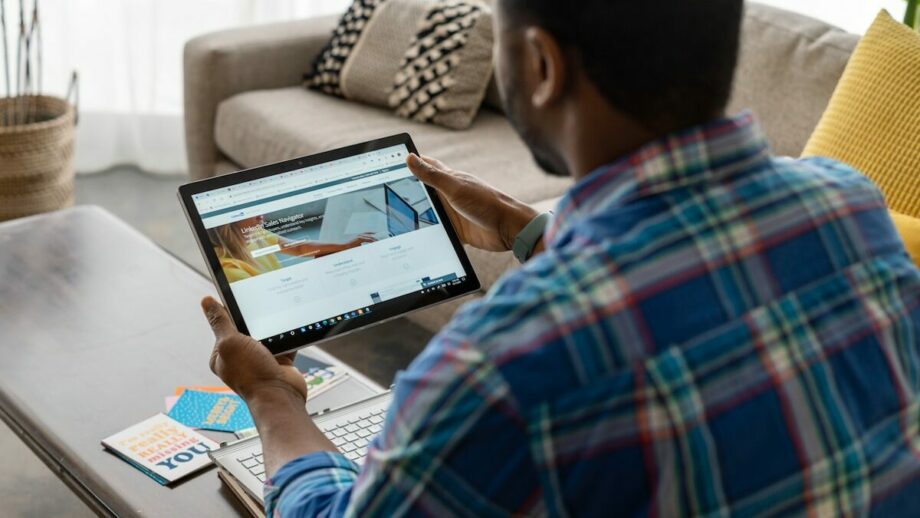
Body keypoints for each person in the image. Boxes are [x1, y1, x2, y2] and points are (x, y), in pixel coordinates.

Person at [200, 0, 920, 515]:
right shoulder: (847, 206)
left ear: (540, 65)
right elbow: (683, 289)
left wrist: (273, 398)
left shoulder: (502, 366)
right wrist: (525, 228)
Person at [208, 214, 375, 282]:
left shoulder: (254, 233)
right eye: (249, 212)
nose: (261, 216)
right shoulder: (230, 270)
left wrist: (345, 246)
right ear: (227, 222)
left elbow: (298, 248)